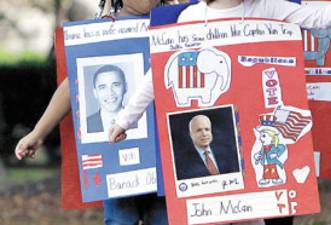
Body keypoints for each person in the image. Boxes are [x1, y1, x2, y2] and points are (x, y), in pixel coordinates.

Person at [108, 0, 331, 224]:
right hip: (219, 136)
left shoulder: (268, 7)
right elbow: (158, 74)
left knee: (257, 212)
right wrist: (124, 121)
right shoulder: (191, 18)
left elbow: (322, 19)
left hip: (259, 133)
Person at [14, 1, 169, 225]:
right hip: (114, 157)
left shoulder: (174, 23)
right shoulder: (102, 28)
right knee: (119, 220)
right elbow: (73, 85)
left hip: (162, 157)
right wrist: (38, 132)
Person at [175, 114, 240, 180]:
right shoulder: (182, 162)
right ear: (191, 135)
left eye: (207, 129)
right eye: (199, 130)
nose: (204, 134)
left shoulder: (228, 152)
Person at [86, 64, 138, 133]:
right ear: (95, 93)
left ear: (126, 87)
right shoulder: (86, 125)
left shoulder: (138, 120)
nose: (110, 93)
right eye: (103, 87)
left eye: (116, 85)